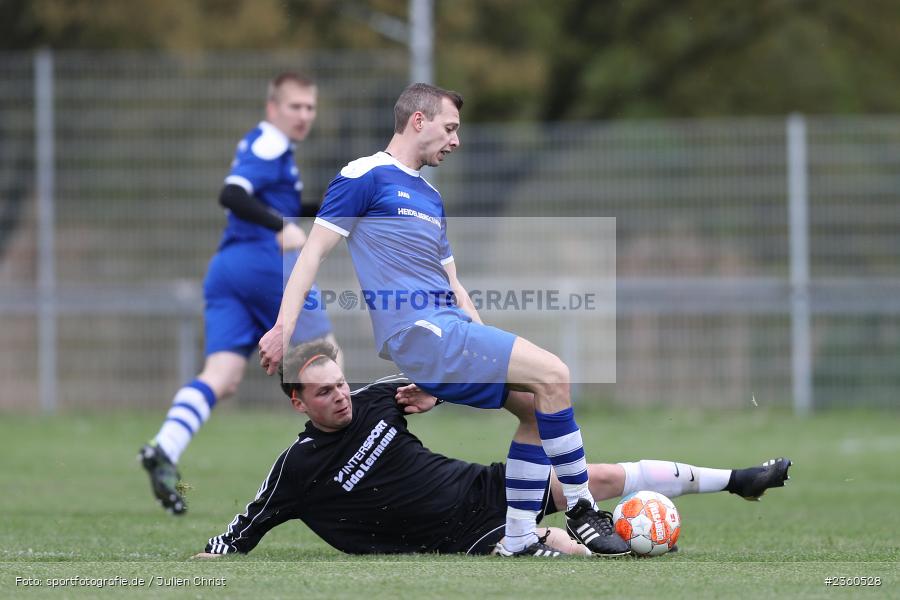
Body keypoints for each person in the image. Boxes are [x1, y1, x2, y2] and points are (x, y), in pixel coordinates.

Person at [257, 82, 629, 556]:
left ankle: (516, 537)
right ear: (418, 120)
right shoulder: (364, 175)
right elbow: (310, 257)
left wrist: (471, 350)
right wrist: (282, 328)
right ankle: (581, 509)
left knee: (537, 407)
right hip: (418, 332)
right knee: (555, 373)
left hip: (448, 334)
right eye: (449, 128)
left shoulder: (430, 197)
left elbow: (454, 286)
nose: (455, 140)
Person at [196, 341, 791, 558]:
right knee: (589, 556)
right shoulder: (295, 470)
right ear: (298, 403)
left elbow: (442, 380)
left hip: (486, 489)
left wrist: (441, 392)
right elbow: (244, 529)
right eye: (324, 393)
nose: (341, 397)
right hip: (459, 537)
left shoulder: (377, 397)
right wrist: (208, 559)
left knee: (591, 463)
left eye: (341, 384)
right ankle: (569, 540)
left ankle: (738, 480)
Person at [139, 73, 342, 516]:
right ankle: (348, 474)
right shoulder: (270, 142)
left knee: (222, 377)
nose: (304, 115)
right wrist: (281, 226)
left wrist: (328, 208)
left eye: (310, 107)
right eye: (295, 106)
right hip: (262, 265)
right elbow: (231, 194)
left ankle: (164, 447)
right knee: (328, 362)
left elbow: (274, 202)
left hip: (226, 269)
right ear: (273, 108)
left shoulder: (269, 147)